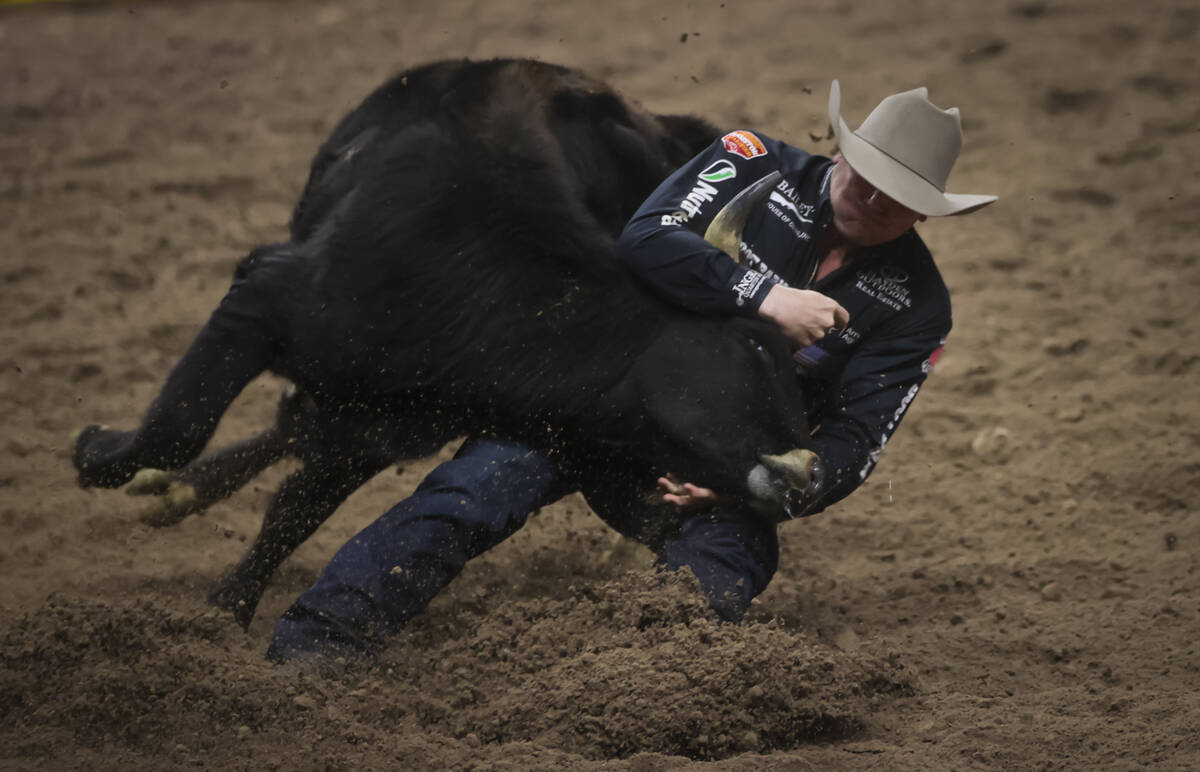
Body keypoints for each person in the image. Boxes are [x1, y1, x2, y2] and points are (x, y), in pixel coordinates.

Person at [266, 80, 996, 663]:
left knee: (733, 553)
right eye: (865, 176)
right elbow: (648, 239)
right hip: (596, 392)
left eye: (897, 199)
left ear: (924, 215)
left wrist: (758, 484)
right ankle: (316, 642)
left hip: (701, 459)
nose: (871, 199)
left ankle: (638, 683)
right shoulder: (751, 160)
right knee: (472, 489)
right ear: (839, 152)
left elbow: (856, 440)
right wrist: (766, 296)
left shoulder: (918, 309)